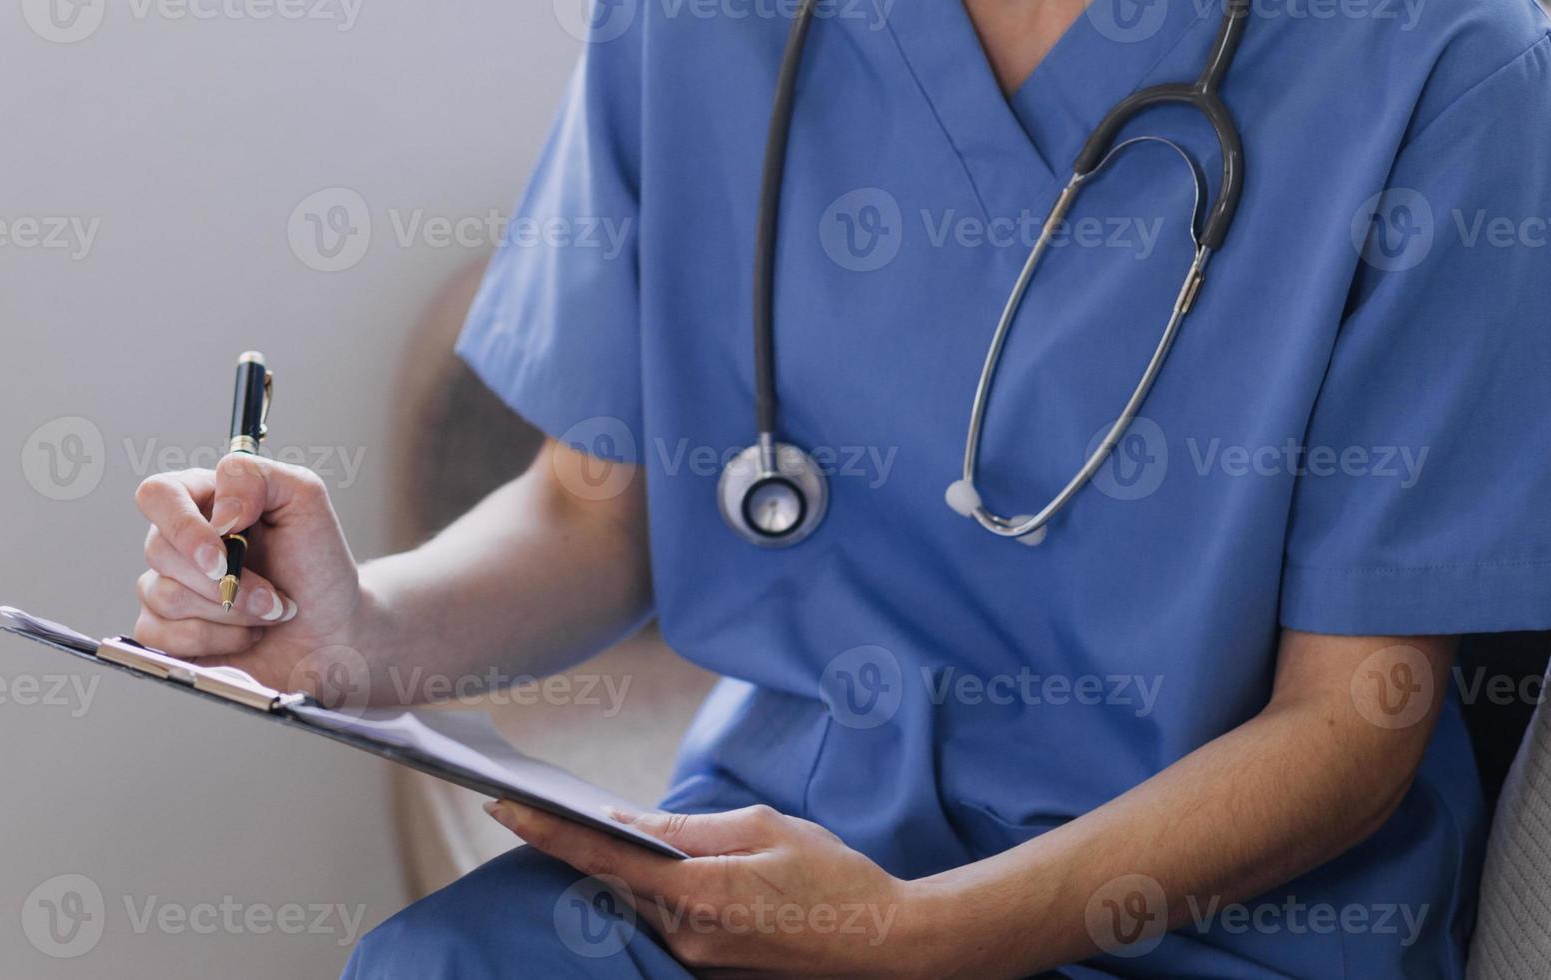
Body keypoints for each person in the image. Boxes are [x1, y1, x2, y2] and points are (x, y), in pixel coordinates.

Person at [131, 0, 1551, 975]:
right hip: (764, 876)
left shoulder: (1450, 69)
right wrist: (358, 636)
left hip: (1199, 932)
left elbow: (1352, 726)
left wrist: (924, 939)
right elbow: (593, 510)